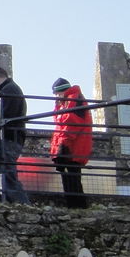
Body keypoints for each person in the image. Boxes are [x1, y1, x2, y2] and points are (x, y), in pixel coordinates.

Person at [49, 77, 93, 208]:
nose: (56, 96)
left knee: (72, 177)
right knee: (71, 176)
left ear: (63, 91)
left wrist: (62, 146)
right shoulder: (68, 101)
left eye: (57, 93)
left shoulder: (73, 101)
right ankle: (75, 206)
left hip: (72, 146)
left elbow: (71, 124)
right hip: (71, 145)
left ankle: (77, 206)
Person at [0, 66, 29, 203]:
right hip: (12, 137)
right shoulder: (11, 89)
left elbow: (3, 115)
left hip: (10, 137)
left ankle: (22, 204)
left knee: (7, 172)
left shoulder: (8, 90)